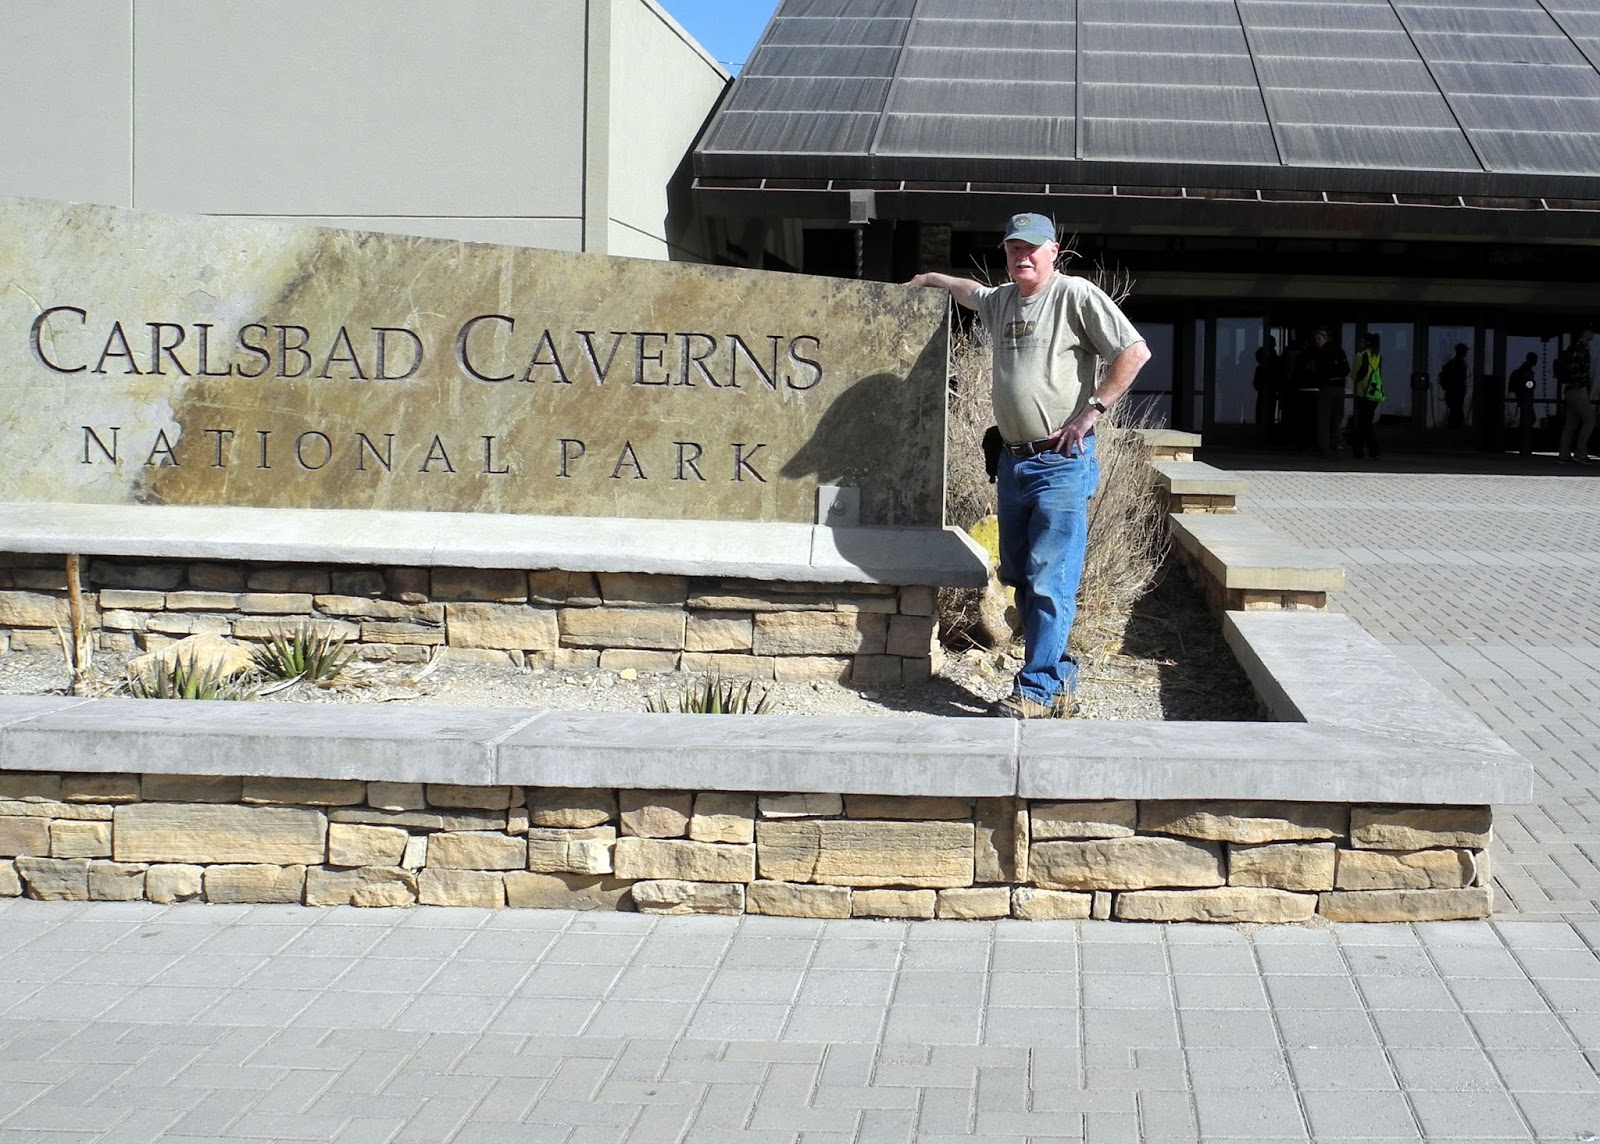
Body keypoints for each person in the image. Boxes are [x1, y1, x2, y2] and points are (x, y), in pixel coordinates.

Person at [908, 212, 1150, 718]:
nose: (1022, 255)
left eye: (1032, 248)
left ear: (1053, 252)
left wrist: (1092, 411)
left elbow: (1134, 352)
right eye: (1014, 248)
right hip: (1013, 463)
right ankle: (1059, 680)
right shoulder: (1001, 300)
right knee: (1021, 573)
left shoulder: (1075, 295)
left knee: (1048, 576)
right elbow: (970, 291)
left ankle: (1036, 691)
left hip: (1061, 463)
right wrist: (931, 278)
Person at [1309, 327, 1349, 457]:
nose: (1317, 342)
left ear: (1325, 338)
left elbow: (1317, 371)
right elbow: (1346, 369)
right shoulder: (1340, 351)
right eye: (1316, 339)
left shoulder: (1321, 353)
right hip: (1339, 387)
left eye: (1318, 339)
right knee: (1337, 417)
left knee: (1324, 419)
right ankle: (1337, 444)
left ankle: (1324, 448)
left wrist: (1321, 379)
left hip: (1327, 388)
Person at [1557, 328, 1595, 464]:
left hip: (1569, 390)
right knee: (1590, 420)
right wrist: (1583, 383)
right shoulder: (1580, 350)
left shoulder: (1573, 349)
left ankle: (1564, 455)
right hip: (1578, 390)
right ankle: (1580, 453)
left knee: (1570, 424)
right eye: (1591, 331)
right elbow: (1576, 371)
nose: (1593, 334)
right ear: (1584, 333)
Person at [1350, 332, 1384, 459]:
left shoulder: (1360, 355)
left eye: (1361, 341)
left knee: (1364, 423)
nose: (1360, 344)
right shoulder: (1377, 356)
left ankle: (1368, 451)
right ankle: (1365, 451)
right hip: (1375, 393)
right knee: (1365, 422)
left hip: (1363, 393)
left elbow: (1353, 375)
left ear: (1366, 343)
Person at [1509, 351, 1539, 457]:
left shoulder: (1522, 370)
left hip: (1523, 398)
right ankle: (1524, 446)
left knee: (1527, 420)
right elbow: (1528, 385)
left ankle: (1523, 446)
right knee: (1528, 420)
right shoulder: (1525, 371)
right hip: (1525, 398)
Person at [1253, 335, 1280, 441]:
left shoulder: (1261, 365)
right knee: (1269, 413)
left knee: (1261, 412)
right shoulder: (1275, 358)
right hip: (1270, 391)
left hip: (1264, 391)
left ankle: (1262, 432)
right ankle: (1268, 433)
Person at [1439, 344, 1470, 430]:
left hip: (1454, 393)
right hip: (1455, 393)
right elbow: (1459, 380)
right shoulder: (1458, 364)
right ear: (1461, 352)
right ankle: (1454, 430)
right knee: (1456, 413)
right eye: (1465, 351)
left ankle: (1453, 430)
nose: (1466, 353)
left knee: (1455, 412)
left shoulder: (1452, 363)